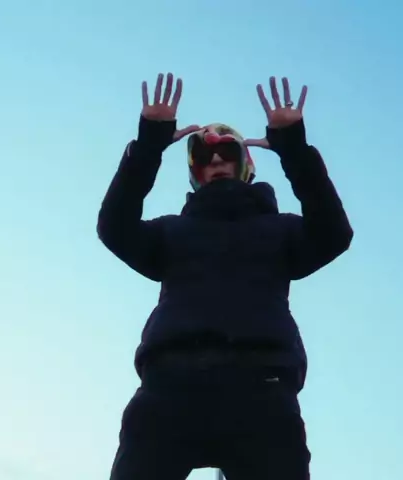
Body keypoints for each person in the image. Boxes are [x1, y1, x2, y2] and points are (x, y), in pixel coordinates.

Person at [98, 72, 353, 480]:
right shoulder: (171, 232)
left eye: (227, 153)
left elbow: (333, 234)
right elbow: (115, 227)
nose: (215, 162)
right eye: (203, 157)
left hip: (262, 387)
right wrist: (149, 145)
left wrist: (293, 148)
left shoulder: (281, 230)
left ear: (246, 165)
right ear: (195, 173)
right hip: (170, 387)